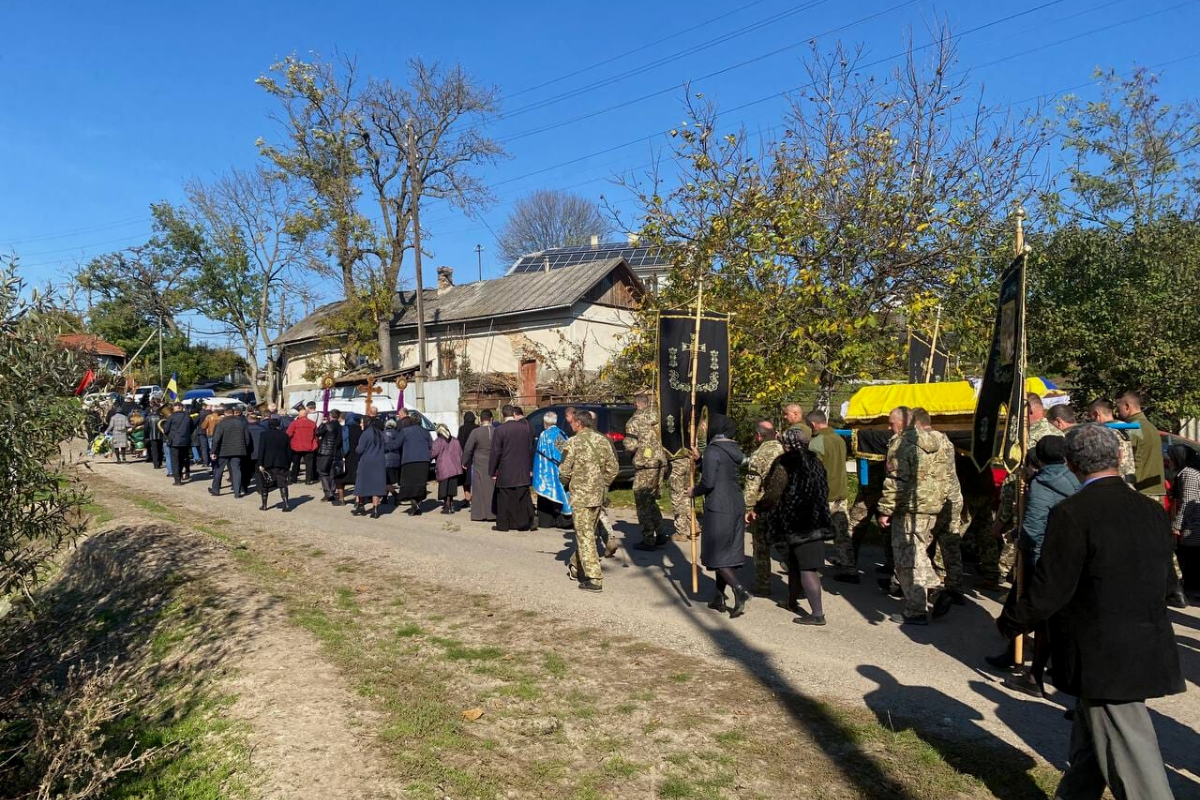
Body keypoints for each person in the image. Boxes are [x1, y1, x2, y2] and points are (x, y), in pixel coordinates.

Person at [997, 424, 1183, 799]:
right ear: (1118, 458)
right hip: (1143, 641)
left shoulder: (1072, 513)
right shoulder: (1150, 510)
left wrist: (1012, 621)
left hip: (1102, 651)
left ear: (1070, 464)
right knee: (1090, 740)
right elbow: (1167, 582)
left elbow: (1052, 589)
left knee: (1133, 757)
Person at [1001, 435, 1081, 696]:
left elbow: (1035, 526)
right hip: (1069, 556)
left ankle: (1033, 674)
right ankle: (1023, 657)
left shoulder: (1043, 483)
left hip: (1042, 557)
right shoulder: (1076, 479)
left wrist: (1021, 541)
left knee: (1035, 613)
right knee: (1054, 615)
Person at [985, 393, 1063, 590]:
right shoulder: (1058, 434)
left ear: (1029, 411)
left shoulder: (1029, 437)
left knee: (1025, 549)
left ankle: (1018, 589)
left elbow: (1015, 479)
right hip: (1057, 502)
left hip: (1031, 501)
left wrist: (1001, 519)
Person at [876, 407, 947, 625]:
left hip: (909, 507)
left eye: (891, 423)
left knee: (907, 559)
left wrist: (886, 509)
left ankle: (916, 609)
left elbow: (896, 480)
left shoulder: (901, 443)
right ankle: (936, 587)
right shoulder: (936, 441)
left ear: (903, 422)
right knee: (918, 551)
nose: (889, 428)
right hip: (931, 504)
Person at [759, 427, 833, 625]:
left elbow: (774, 490)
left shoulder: (786, 462)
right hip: (816, 518)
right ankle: (791, 602)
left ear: (786, 444)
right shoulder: (816, 461)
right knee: (794, 564)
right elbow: (825, 488)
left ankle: (817, 614)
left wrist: (759, 508)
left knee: (807, 568)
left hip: (798, 522)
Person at [691, 413, 751, 618]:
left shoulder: (713, 450)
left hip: (719, 506)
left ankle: (739, 589)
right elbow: (721, 470)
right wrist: (700, 460)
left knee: (716, 553)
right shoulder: (732, 449)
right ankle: (718, 596)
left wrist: (693, 491)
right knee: (728, 551)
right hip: (735, 503)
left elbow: (708, 482)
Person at [559, 409, 618, 592]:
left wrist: (565, 483)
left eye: (572, 423)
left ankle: (594, 577)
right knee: (586, 534)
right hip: (597, 497)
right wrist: (603, 484)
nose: (571, 425)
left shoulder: (573, 442)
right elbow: (613, 468)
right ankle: (576, 567)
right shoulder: (602, 440)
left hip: (582, 497)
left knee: (585, 536)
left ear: (578, 423)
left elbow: (564, 471)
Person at [913, 409, 964, 619]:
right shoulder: (946, 440)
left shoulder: (923, 441)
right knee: (950, 544)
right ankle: (955, 588)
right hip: (953, 497)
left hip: (932, 499)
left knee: (918, 544)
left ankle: (919, 585)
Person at [808, 410, 852, 582]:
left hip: (824, 496)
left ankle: (811, 566)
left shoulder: (817, 442)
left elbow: (813, 472)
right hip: (840, 492)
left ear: (813, 425)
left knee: (814, 533)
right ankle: (849, 568)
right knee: (842, 533)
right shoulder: (838, 439)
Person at [742, 420, 784, 595]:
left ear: (758, 436)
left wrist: (749, 508)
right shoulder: (785, 449)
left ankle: (763, 583)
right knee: (785, 544)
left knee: (761, 545)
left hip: (765, 505)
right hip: (785, 504)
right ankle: (799, 584)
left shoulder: (759, 455)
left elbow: (752, 485)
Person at [626, 393, 666, 549]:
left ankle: (648, 538)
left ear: (637, 404)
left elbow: (631, 445)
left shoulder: (634, 421)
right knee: (651, 499)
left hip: (645, 464)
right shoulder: (659, 416)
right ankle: (661, 532)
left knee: (642, 501)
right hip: (660, 462)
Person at [489, 405, 537, 531]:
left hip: (506, 470)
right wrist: (530, 467)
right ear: (513, 414)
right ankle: (523, 524)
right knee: (521, 498)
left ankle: (504, 525)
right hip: (522, 469)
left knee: (504, 498)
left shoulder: (500, 430)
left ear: (503, 415)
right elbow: (530, 449)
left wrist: (492, 470)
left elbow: (496, 452)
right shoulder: (525, 428)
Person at [1116, 390, 1166, 500]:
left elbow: (1123, 460)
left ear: (1127, 406)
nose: (1118, 413)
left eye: (1119, 408)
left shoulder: (1132, 428)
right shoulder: (1151, 427)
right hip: (1155, 489)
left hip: (1140, 491)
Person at [1169, 444, 1200, 602]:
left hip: (1192, 525)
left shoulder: (1189, 474)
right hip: (1191, 523)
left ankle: (1192, 589)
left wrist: (1177, 525)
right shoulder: (1186, 473)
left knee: (1190, 558)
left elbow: (1187, 501)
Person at [533, 412, 572, 525]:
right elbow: (564, 452)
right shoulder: (561, 433)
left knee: (547, 492)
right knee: (562, 492)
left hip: (547, 471)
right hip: (560, 467)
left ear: (545, 423)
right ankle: (563, 519)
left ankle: (546, 521)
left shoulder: (544, 435)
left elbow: (541, 454)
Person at [1087, 399, 1136, 485]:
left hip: (1113, 482)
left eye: (1090, 416)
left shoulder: (1102, 432)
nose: (1091, 419)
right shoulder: (1130, 427)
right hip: (1131, 481)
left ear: (1096, 414)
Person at [462, 410, 497, 523]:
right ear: (491, 419)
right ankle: (493, 513)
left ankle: (479, 514)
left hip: (479, 462)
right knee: (492, 488)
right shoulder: (496, 431)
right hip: (494, 462)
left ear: (481, 420)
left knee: (479, 489)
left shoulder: (476, 432)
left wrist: (464, 461)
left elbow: (468, 448)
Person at [210, 407, 251, 498]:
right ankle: (237, 492)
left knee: (219, 470)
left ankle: (215, 490)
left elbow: (216, 439)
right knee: (236, 470)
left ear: (225, 413)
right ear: (233, 413)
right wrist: (245, 448)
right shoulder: (241, 423)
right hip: (238, 450)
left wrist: (213, 451)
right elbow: (247, 438)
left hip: (223, 450)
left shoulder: (222, 423)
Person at [395, 415, 432, 515]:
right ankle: (417, 505)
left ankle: (414, 504)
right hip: (424, 461)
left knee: (408, 484)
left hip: (409, 461)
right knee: (420, 484)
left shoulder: (405, 431)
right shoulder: (425, 432)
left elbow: (396, 444)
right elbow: (431, 446)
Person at [354, 411, 387, 519]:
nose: (360, 425)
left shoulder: (366, 433)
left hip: (367, 462)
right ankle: (375, 510)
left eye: (361, 423)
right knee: (376, 486)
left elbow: (359, 450)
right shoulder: (380, 433)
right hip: (379, 462)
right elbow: (389, 443)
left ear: (366, 423)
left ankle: (360, 506)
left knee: (361, 484)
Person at [256, 417, 293, 512]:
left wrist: (260, 463)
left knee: (265, 484)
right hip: (282, 463)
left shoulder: (264, 435)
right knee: (282, 484)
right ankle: (286, 504)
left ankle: (264, 505)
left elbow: (261, 450)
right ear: (278, 425)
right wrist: (288, 463)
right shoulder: (284, 435)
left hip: (267, 463)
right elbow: (289, 451)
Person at [431, 424, 464, 514]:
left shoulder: (438, 441)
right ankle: (451, 504)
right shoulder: (455, 440)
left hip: (443, 468)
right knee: (451, 488)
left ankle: (447, 505)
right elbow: (461, 453)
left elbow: (432, 453)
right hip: (455, 468)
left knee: (444, 489)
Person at [161, 403, 194, 484]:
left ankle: (177, 480)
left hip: (174, 442)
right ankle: (181, 474)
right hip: (185, 442)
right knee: (182, 459)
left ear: (175, 408)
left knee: (175, 461)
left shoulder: (171, 417)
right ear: (181, 408)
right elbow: (192, 428)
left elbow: (166, 430)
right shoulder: (188, 417)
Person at [316, 410, 344, 503]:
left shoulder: (327, 425)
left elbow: (317, 433)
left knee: (322, 471)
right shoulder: (340, 427)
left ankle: (328, 493)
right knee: (332, 472)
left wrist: (322, 424)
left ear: (331, 416)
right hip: (336, 452)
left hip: (325, 451)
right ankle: (331, 490)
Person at [286, 406, 319, 485]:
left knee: (296, 463)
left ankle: (294, 478)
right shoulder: (312, 423)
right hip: (309, 446)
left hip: (296, 446)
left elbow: (288, 434)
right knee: (309, 464)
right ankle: (308, 480)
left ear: (299, 415)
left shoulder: (294, 423)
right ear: (306, 415)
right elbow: (316, 435)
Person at [243, 410, 266, 496]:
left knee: (246, 471)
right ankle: (260, 488)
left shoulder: (245, 428)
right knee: (258, 472)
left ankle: (245, 487)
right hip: (259, 453)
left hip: (248, 453)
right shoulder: (263, 429)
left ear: (248, 419)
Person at [457, 411, 478, 507]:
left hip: (465, 456)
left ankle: (467, 499)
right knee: (476, 478)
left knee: (465, 479)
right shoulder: (478, 428)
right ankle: (477, 498)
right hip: (477, 456)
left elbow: (459, 443)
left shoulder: (462, 429)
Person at [383, 418, 402, 502]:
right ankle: (384, 498)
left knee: (386, 481)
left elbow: (382, 447)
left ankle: (396, 496)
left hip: (385, 459)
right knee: (389, 480)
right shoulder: (399, 434)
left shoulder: (382, 434)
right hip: (397, 459)